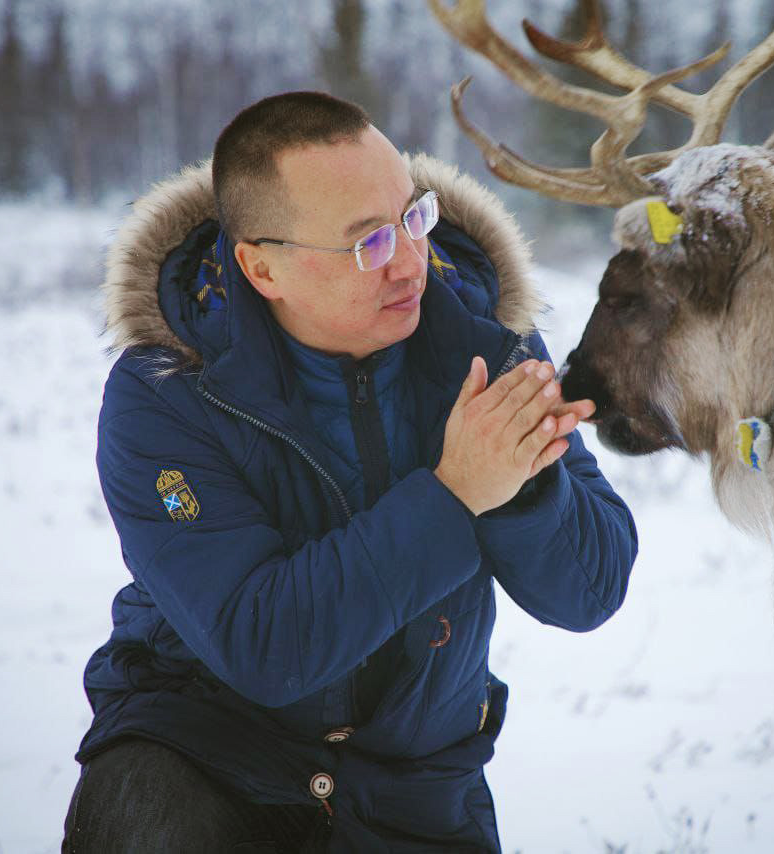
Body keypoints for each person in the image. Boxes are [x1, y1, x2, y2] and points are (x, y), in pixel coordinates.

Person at [62, 91, 637, 853]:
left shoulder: (487, 342)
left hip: (419, 787)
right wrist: (454, 493)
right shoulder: (168, 392)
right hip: (205, 759)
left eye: (412, 219)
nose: (409, 262)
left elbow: (590, 590)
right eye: (367, 244)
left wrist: (522, 480)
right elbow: (263, 642)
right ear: (262, 268)